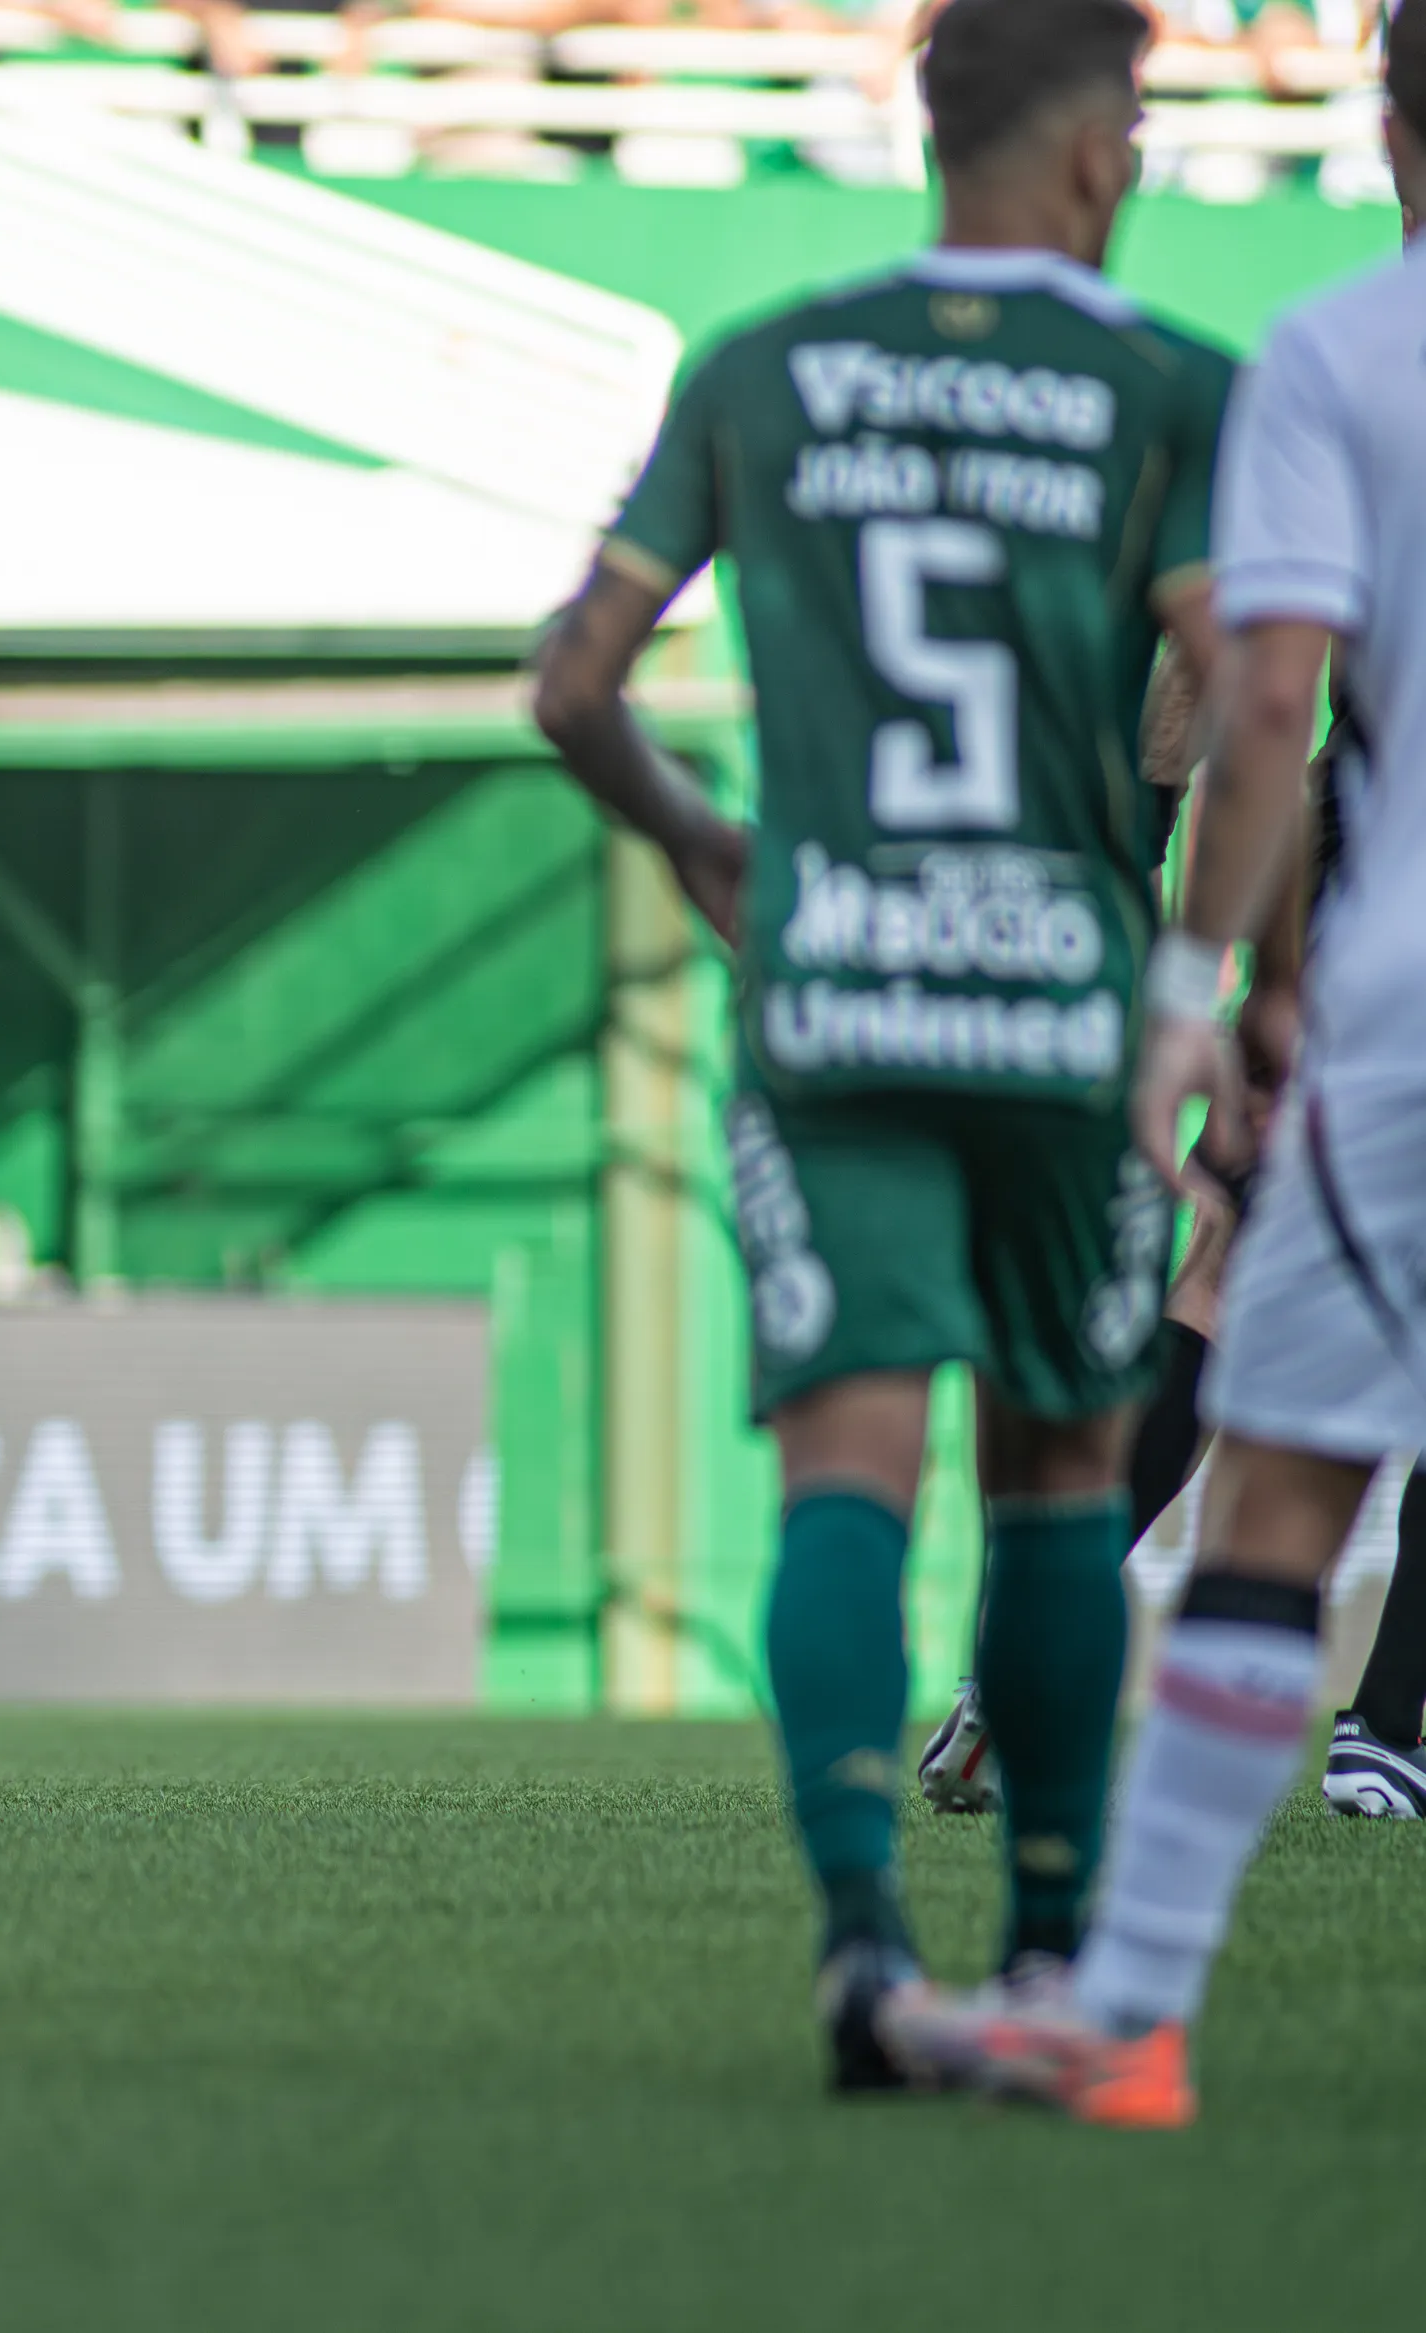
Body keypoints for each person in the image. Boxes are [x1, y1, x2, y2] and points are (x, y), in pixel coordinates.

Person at [530, 0, 1233, 2090]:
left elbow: (572, 682)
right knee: (1056, 1470)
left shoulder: (759, 366)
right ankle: (1046, 1968)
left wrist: (704, 843)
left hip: (835, 987)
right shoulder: (1174, 390)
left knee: (845, 1467)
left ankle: (860, 1953)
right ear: (1100, 141)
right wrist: (1196, 975)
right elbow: (1240, 708)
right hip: (1062, 1008)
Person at [886, 8, 1426, 2123]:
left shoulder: (1326, 355)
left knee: (1276, 1449)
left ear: (1383, 112)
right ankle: (1388, 1734)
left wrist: (1204, 973)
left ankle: (1120, 1992)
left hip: (1388, 982)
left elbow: (1255, 699)